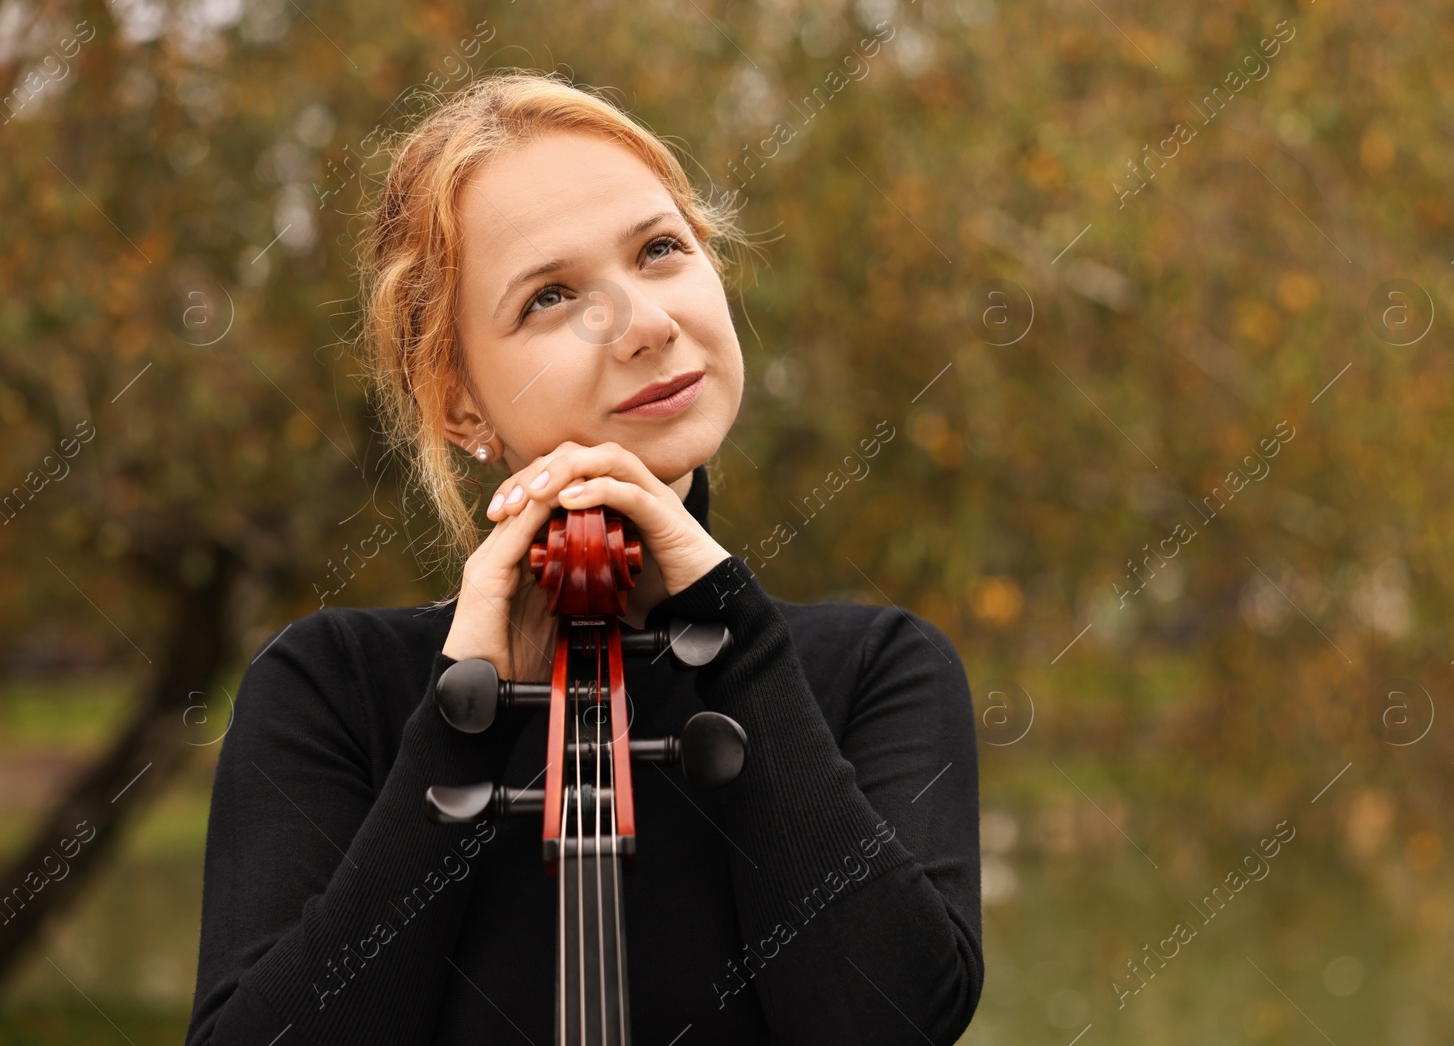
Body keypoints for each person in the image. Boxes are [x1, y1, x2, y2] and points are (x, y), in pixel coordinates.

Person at [184, 69, 982, 1046]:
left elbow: (890, 1021)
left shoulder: (876, 670)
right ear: (457, 400)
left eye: (660, 250)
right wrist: (457, 720)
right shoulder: (330, 688)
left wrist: (734, 632)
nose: (647, 323)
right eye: (551, 296)